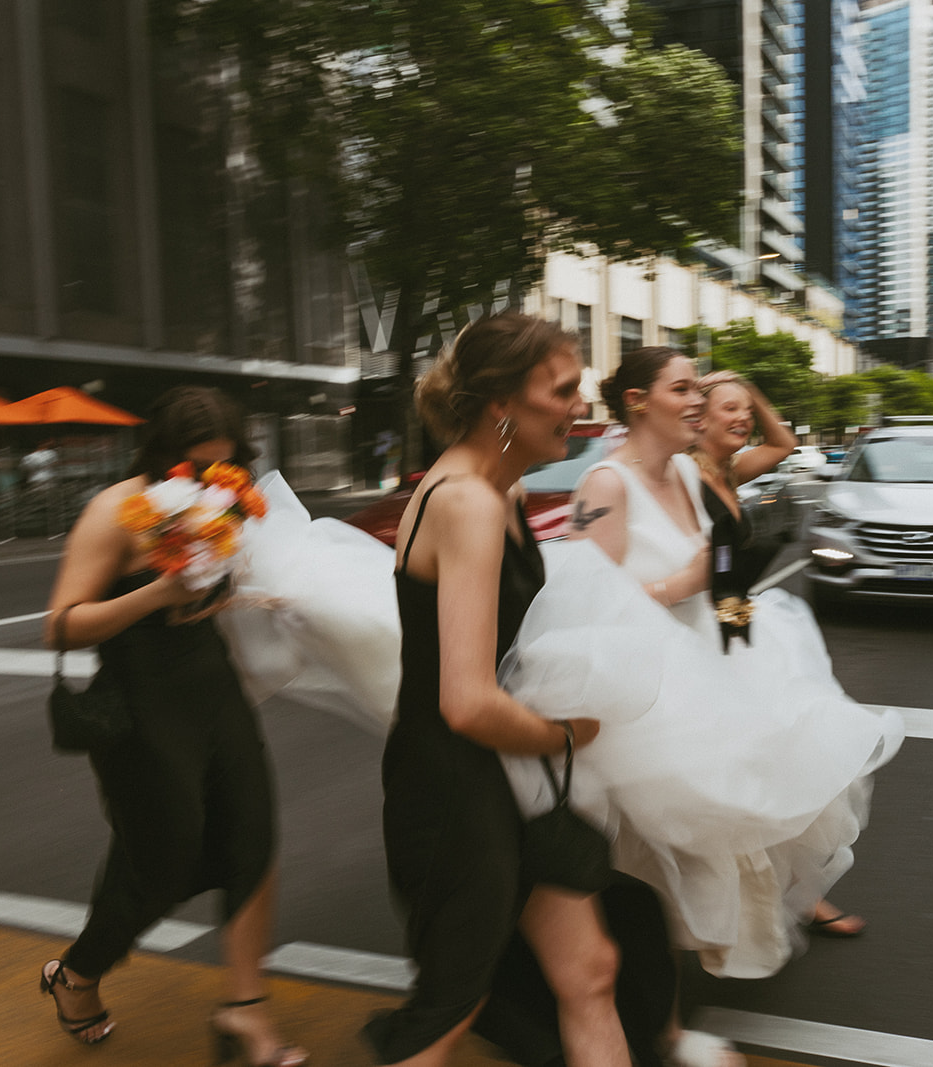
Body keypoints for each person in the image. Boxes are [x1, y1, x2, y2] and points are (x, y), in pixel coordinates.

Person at [498, 347, 903, 984]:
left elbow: (710, 569)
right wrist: (672, 589)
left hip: (713, 659)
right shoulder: (606, 483)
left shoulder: (690, 476)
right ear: (638, 402)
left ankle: (710, 947)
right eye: (685, 389)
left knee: (755, 792)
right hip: (652, 687)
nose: (700, 400)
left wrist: (721, 602)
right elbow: (578, 606)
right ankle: (641, 975)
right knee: (675, 830)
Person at [360, 312, 630, 1067]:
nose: (580, 405)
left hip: (510, 778)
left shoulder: (499, 492)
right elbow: (468, 700)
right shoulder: (468, 502)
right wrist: (570, 734)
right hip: (456, 790)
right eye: (565, 389)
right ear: (502, 404)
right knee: (452, 1006)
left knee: (589, 970)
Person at [39, 386, 306, 1067]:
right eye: (195, 466)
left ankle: (245, 1010)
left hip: (212, 692)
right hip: (141, 710)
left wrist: (234, 593)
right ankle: (75, 974)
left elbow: (200, 597)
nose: (209, 478)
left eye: (223, 466)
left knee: (253, 834)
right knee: (161, 859)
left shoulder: (222, 501)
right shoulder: (116, 511)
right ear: (162, 456)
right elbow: (61, 624)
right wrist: (160, 591)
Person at [687, 370, 867, 938]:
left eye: (746, 411)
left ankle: (799, 890)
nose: (742, 419)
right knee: (742, 774)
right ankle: (734, 899)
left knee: (785, 762)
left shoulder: (729, 470)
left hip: (739, 624)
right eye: (729, 411)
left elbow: (785, 444)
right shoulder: (682, 474)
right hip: (701, 636)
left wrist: (746, 390)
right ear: (698, 418)